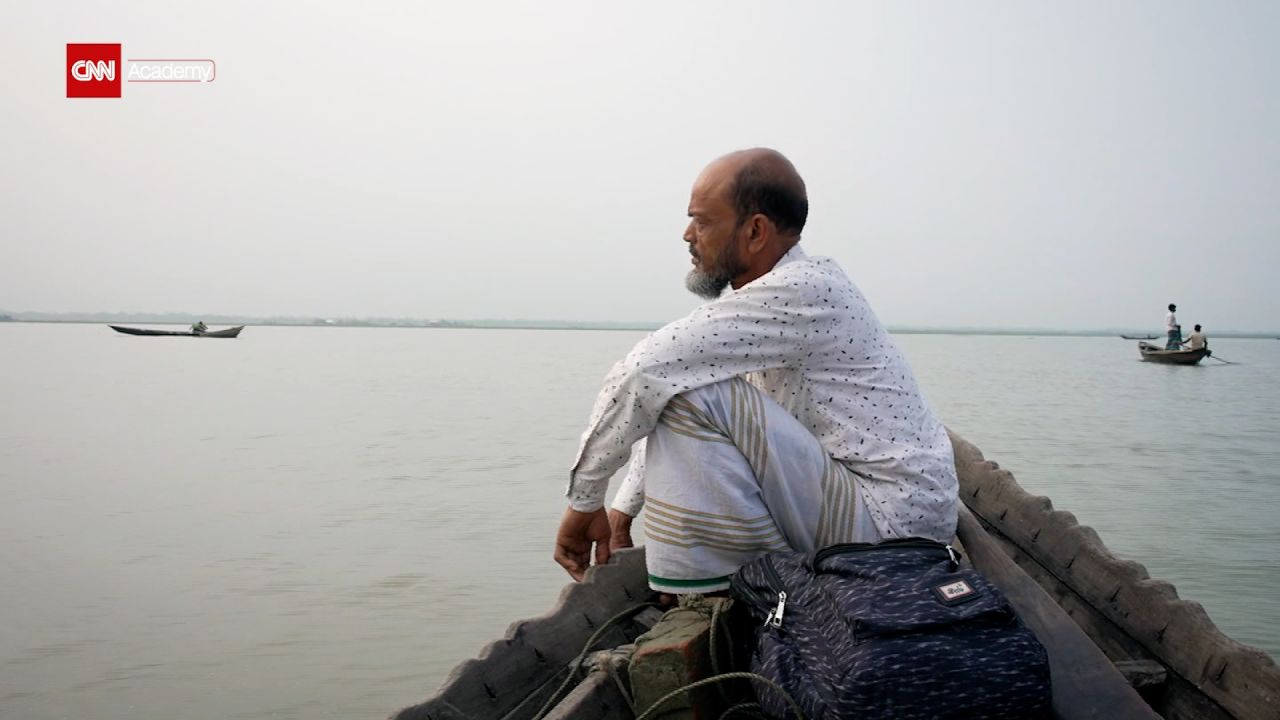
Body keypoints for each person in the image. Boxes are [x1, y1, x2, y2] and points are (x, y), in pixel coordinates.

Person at [554, 149, 959, 594]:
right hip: (891, 513)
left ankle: (703, 596)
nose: (688, 235)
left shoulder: (803, 289)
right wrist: (623, 507)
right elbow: (668, 374)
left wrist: (584, 502)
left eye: (703, 221)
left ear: (755, 230)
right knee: (689, 380)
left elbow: (644, 372)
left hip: (890, 532)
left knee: (687, 395)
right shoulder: (780, 300)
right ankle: (720, 577)